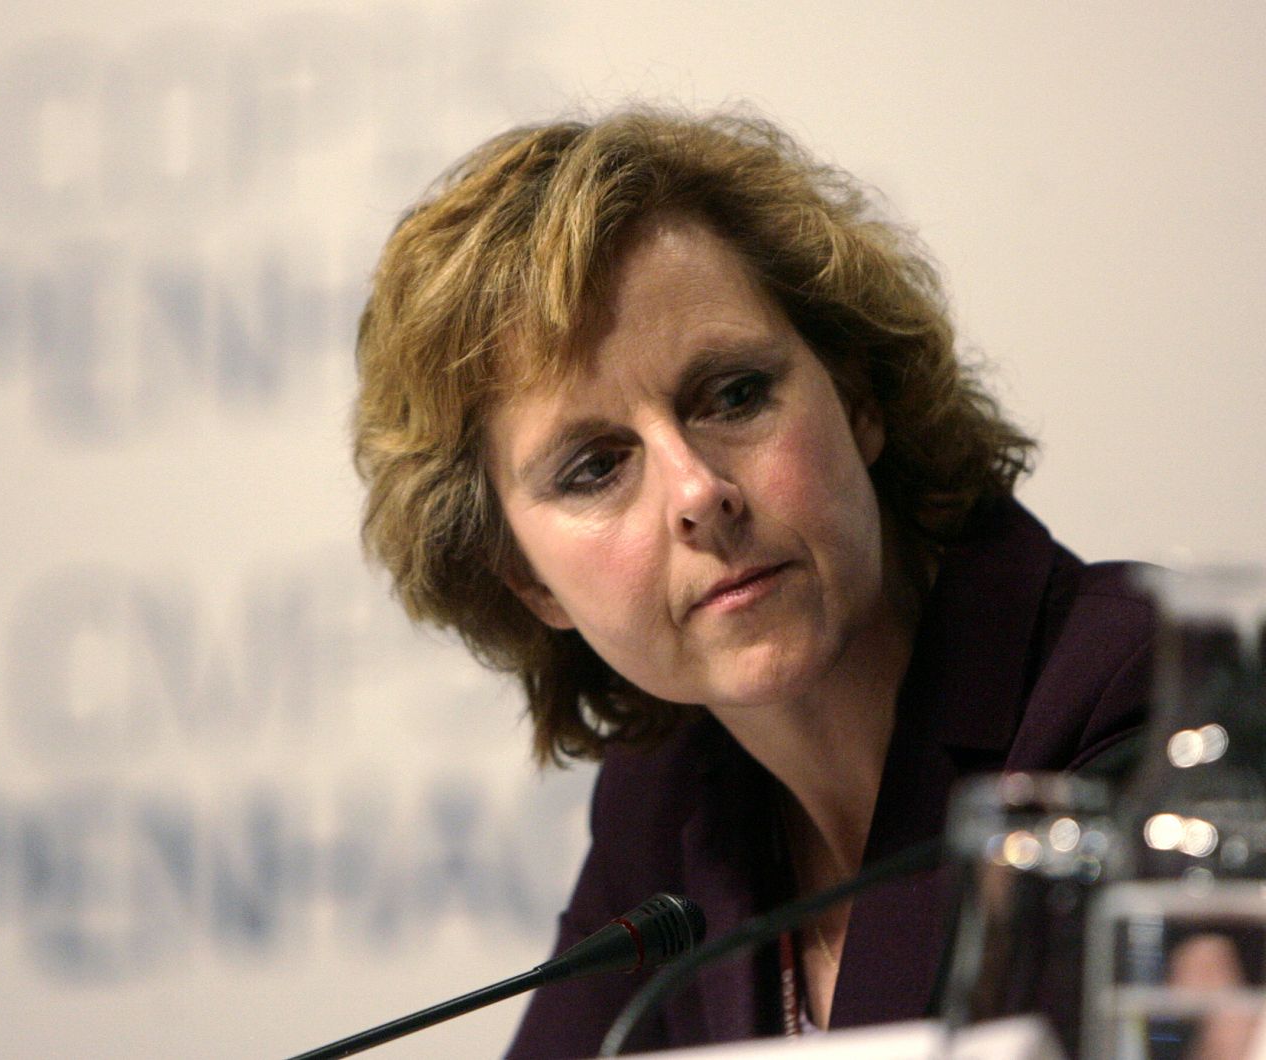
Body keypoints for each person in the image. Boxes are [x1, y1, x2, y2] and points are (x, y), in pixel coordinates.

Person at [351, 108, 1152, 1055]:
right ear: (530, 585)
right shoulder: (666, 804)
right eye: (594, 468)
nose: (697, 493)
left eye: (734, 395)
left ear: (856, 397)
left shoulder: (1136, 696)